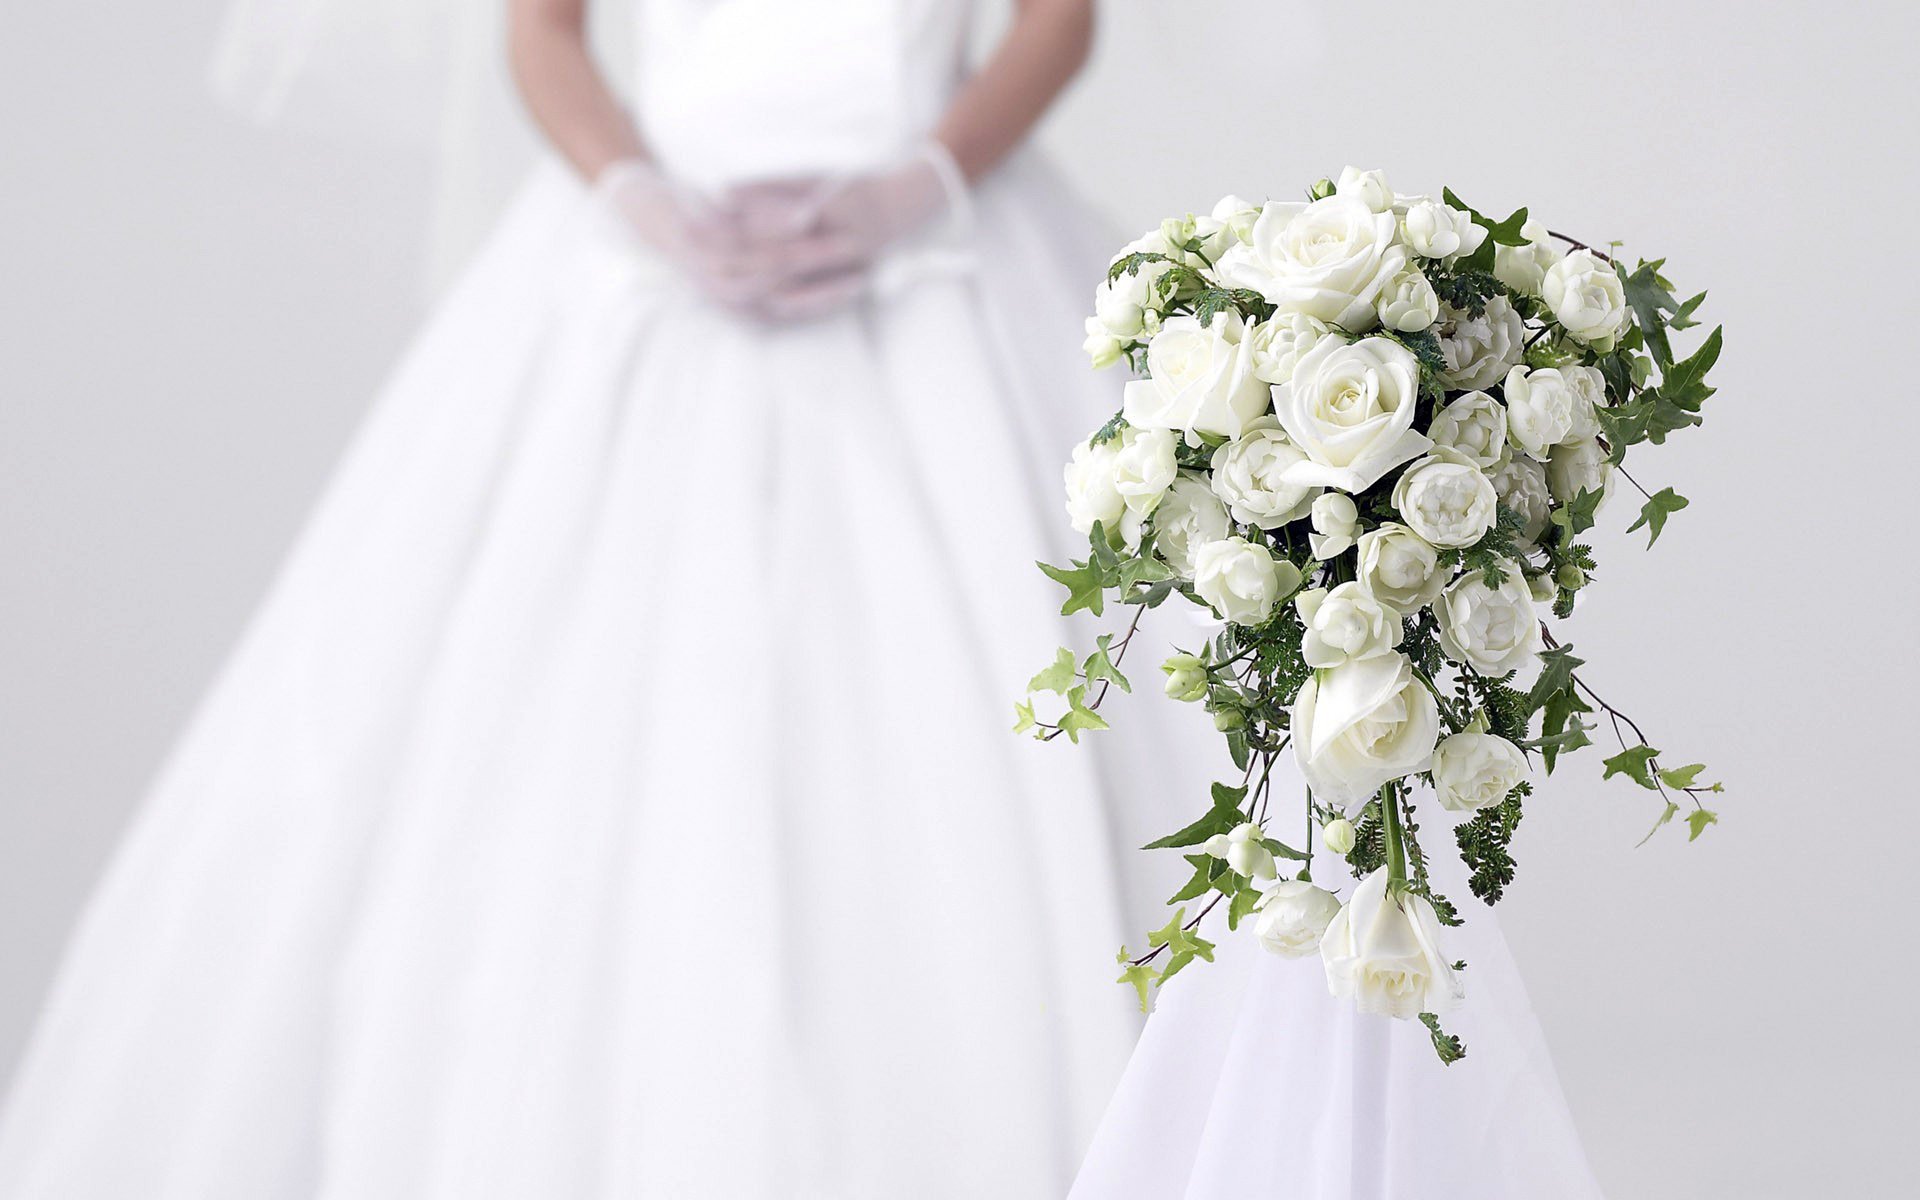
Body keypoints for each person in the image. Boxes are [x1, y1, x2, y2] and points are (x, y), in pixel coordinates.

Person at [0, 2, 1188, 1195]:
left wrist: (920, 182)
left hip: (944, 253)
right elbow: (543, 30)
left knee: (980, 737)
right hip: (653, 254)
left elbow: (1059, 18)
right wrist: (638, 200)